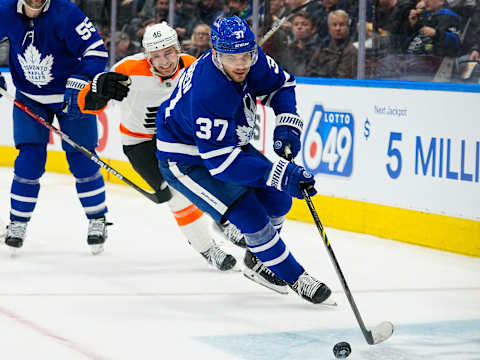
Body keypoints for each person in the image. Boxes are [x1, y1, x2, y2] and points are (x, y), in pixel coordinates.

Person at [154, 16, 333, 304]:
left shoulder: (252, 57)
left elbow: (282, 85)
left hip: (224, 145)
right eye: (231, 57)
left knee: (279, 201)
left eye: (246, 56)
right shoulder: (208, 90)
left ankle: (259, 261)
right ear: (215, 54)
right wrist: (283, 175)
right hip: (187, 159)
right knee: (251, 217)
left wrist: (287, 122)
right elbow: (221, 164)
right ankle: (295, 277)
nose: (241, 64)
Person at [77, 22, 245, 271]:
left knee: (210, 177)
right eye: (156, 56)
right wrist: (95, 92)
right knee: (173, 194)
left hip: (178, 138)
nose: (164, 61)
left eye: (168, 53)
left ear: (178, 49)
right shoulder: (128, 71)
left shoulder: (192, 67)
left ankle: (223, 220)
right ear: (147, 56)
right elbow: (88, 105)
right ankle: (206, 247)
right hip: (140, 142)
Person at [0, 0, 124, 255]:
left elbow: (97, 51)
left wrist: (81, 80)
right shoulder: (4, 9)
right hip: (30, 98)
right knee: (29, 162)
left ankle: (97, 219)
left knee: (83, 161)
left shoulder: (66, 13)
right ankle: (17, 223)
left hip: (72, 99)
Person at [307, 10, 357, 78]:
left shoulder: (350, 50)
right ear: (329, 28)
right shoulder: (322, 47)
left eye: (342, 25)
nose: (338, 28)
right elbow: (309, 70)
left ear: (348, 27)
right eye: (334, 25)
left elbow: (343, 77)